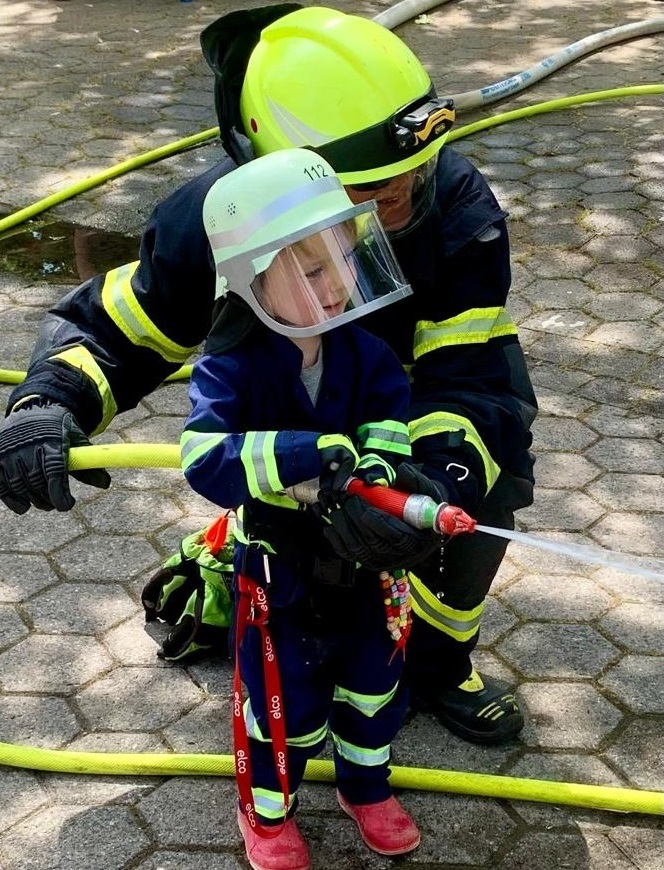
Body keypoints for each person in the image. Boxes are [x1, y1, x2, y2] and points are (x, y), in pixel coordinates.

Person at [0, 5, 537, 745]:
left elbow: (472, 378)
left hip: (400, 398)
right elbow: (119, 330)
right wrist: (44, 402)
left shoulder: (458, 211)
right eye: (371, 190)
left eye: (415, 169)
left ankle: (441, 664)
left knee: (495, 479)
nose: (402, 198)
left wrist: (434, 482)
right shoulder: (213, 224)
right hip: (289, 411)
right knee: (300, 557)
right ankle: (278, 607)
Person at [186, 147, 428, 869]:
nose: (337, 285)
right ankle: (266, 813)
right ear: (252, 280)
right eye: (312, 270)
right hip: (279, 582)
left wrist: (389, 486)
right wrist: (299, 457)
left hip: (366, 572)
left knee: (374, 686)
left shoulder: (369, 354)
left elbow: (388, 428)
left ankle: (366, 787)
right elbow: (205, 458)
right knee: (280, 707)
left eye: (346, 260)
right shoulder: (229, 366)